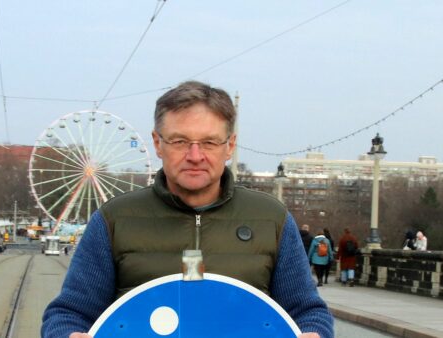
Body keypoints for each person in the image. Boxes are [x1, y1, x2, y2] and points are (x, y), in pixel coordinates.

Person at [41, 81, 333, 338]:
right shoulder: (112, 220)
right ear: (157, 143)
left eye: (209, 142)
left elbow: (309, 312)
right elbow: (68, 314)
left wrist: (315, 334)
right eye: (180, 141)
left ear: (229, 146)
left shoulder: (272, 219)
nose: (195, 156)